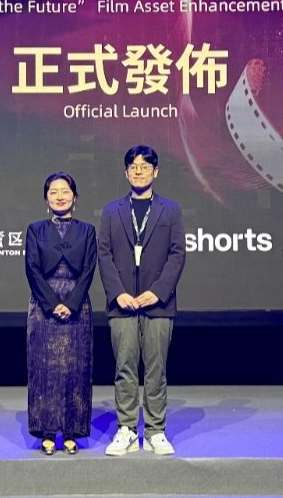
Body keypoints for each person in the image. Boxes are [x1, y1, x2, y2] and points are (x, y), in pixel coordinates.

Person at [98, 145, 185, 456]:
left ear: (155, 172)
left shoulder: (170, 210)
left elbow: (177, 254)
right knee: (124, 368)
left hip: (158, 304)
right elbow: (104, 255)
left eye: (145, 166)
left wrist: (158, 291)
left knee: (156, 369)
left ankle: (155, 431)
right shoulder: (111, 211)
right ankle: (126, 429)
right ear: (126, 173)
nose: (139, 171)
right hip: (121, 304)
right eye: (133, 166)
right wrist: (118, 293)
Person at [24, 172, 98, 455]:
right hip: (44, 307)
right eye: (53, 192)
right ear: (46, 198)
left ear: (75, 197)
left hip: (77, 305)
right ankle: (46, 431)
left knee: (75, 369)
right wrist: (53, 303)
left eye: (65, 191)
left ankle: (71, 432)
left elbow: (89, 269)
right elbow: (32, 268)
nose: (59, 196)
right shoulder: (36, 230)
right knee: (44, 369)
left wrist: (71, 303)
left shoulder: (87, 231)